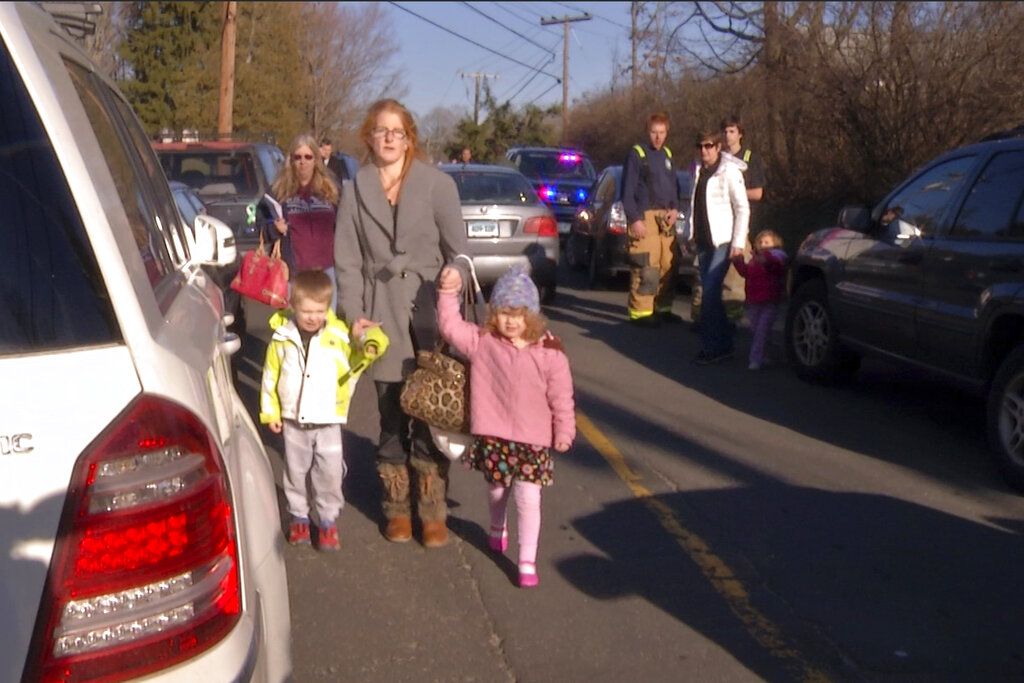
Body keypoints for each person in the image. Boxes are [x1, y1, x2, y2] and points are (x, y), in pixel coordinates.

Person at [334, 98, 470, 547]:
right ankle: (396, 507)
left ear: (410, 137)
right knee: (390, 414)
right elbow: (348, 262)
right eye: (381, 130)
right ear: (369, 138)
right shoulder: (354, 191)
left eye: (397, 131)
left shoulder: (437, 185)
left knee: (430, 412)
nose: (389, 138)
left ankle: (431, 508)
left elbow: (461, 252)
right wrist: (353, 315)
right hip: (380, 314)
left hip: (429, 310)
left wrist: (456, 273)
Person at [436, 264, 575, 587]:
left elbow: (562, 397)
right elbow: (450, 326)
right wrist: (448, 292)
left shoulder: (550, 353)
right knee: (497, 490)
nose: (511, 321)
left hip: (533, 441)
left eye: (520, 313)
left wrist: (564, 430)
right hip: (495, 437)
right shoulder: (484, 342)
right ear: (493, 314)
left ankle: (527, 560)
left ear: (533, 316)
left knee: (528, 498)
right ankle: (498, 526)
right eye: (503, 313)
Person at [260, 269, 389, 551]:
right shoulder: (282, 337)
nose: (313, 317)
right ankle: (299, 517)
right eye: (306, 311)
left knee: (329, 473)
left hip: (328, 420)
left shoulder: (339, 335)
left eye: (320, 311)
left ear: (328, 309)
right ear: (293, 306)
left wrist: (368, 340)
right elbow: (270, 376)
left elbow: (361, 356)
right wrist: (271, 412)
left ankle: (328, 520)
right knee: (295, 472)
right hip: (293, 420)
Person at [691, 115, 767, 330]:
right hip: (709, 233)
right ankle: (704, 320)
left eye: (732, 131)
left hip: (735, 230)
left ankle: (728, 324)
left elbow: (757, 194)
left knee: (731, 281)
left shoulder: (747, 160)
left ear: (740, 134)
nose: (728, 134)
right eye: (724, 131)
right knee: (705, 282)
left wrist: (730, 191)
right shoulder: (703, 166)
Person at [683, 129, 750, 365]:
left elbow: (742, 208)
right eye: (701, 146)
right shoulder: (698, 171)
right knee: (709, 295)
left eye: (709, 146)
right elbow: (694, 205)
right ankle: (724, 344)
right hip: (703, 241)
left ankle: (713, 347)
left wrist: (738, 243)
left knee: (710, 292)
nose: (704, 151)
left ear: (718, 147)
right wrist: (687, 234)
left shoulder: (729, 172)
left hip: (723, 241)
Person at [621, 112, 679, 327]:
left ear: (667, 133)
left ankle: (663, 308)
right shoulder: (637, 154)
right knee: (646, 265)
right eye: (654, 132)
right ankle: (641, 312)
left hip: (666, 218)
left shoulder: (667, 154)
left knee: (668, 264)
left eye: (662, 133)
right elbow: (626, 192)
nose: (658, 137)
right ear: (648, 132)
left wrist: (675, 209)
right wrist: (635, 219)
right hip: (644, 217)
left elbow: (674, 187)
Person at [270, 133, 341, 310]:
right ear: (291, 160)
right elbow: (261, 221)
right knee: (294, 326)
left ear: (316, 159)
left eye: (308, 157)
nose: (303, 162)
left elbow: (345, 225)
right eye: (298, 157)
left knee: (325, 326)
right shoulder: (279, 191)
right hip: (294, 272)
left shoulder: (330, 190)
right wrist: (274, 228)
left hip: (327, 269)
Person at [731, 230, 787, 370]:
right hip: (754, 300)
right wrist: (738, 261)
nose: (763, 245)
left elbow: (778, 268)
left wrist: (767, 260)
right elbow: (746, 273)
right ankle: (766, 354)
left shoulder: (777, 256)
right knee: (757, 329)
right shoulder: (755, 260)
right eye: (760, 242)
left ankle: (755, 359)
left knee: (761, 330)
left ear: (775, 244)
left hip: (770, 300)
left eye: (767, 242)